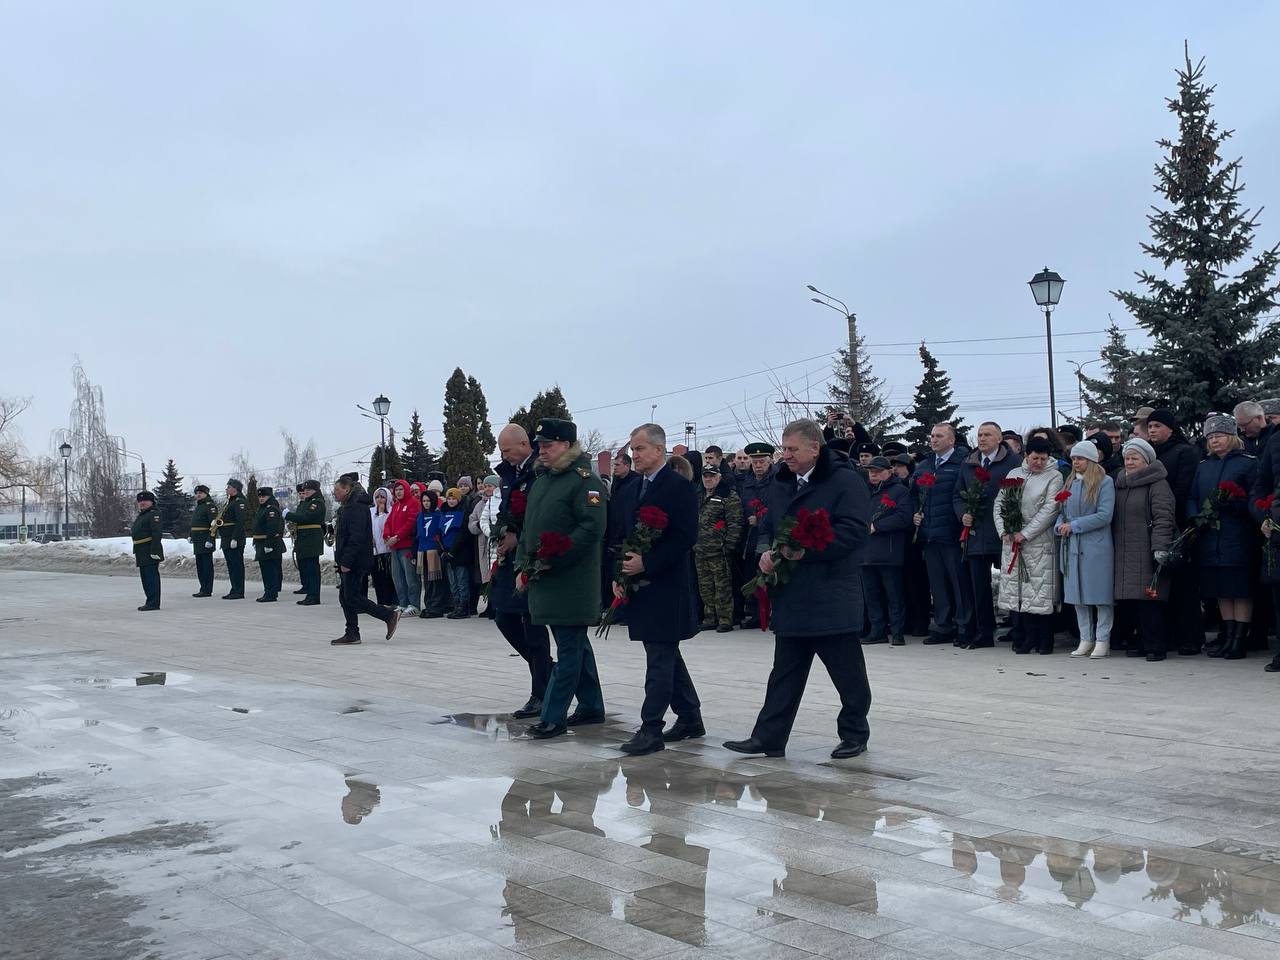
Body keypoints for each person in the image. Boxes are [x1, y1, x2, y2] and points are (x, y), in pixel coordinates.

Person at [723, 419, 873, 761]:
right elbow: (768, 523)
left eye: (792, 449)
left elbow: (853, 531)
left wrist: (807, 550)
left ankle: (854, 733)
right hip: (791, 592)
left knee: (847, 673)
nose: (785, 455)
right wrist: (765, 551)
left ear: (814, 449)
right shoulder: (780, 481)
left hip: (831, 591)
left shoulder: (844, 481)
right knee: (785, 672)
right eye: (784, 448)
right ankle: (769, 738)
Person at [515, 418, 608, 740]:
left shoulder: (585, 481)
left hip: (572, 579)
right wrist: (524, 565)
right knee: (575, 643)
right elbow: (530, 529)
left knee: (569, 647)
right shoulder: (544, 480)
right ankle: (592, 706)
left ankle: (553, 716)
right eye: (539, 445)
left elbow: (591, 528)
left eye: (548, 445)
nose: (542, 451)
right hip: (545, 575)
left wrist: (556, 556)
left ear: (567, 445)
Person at [614, 423, 702, 756]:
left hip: (667, 585)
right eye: (632, 450)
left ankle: (651, 728)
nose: (634, 455)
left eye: (639, 449)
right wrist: (619, 574)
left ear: (658, 450)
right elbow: (621, 535)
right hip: (638, 584)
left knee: (660, 657)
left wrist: (647, 563)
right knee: (663, 653)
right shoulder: (632, 488)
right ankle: (690, 717)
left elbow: (685, 537)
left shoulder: (678, 487)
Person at [491, 424, 556, 718]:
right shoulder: (510, 474)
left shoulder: (539, 470)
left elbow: (540, 512)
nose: (504, 456)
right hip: (512, 558)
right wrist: (504, 534)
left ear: (523, 444)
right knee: (504, 615)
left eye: (507, 450)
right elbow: (509, 510)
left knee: (533, 626)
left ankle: (541, 692)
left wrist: (520, 536)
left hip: (531, 556)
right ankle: (548, 672)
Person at [1190, 414, 1258, 659]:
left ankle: (1239, 640)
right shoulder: (1204, 466)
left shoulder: (1248, 463)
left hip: (1237, 536)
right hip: (1210, 536)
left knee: (1239, 589)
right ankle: (1227, 637)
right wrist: (1195, 516)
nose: (1214, 441)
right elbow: (1193, 496)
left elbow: (1255, 497)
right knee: (1221, 590)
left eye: (1219, 436)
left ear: (1232, 437)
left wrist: (1236, 506)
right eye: (1210, 437)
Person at [954, 421, 1023, 649]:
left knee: (1011, 582)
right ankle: (984, 632)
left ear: (998, 438)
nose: (982, 439)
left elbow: (1020, 492)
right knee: (979, 586)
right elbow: (958, 495)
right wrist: (964, 514)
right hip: (976, 533)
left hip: (1003, 532)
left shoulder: (1012, 462)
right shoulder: (969, 463)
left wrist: (1011, 522)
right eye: (980, 435)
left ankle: (1017, 629)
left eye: (987, 435)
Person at [993, 437, 1064, 655]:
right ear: (1026, 455)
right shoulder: (1014, 474)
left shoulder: (1054, 476)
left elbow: (1050, 509)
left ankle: (1045, 639)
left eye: (1043, 459)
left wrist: (1026, 533)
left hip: (1038, 542)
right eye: (1035, 458)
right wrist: (1004, 530)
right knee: (1020, 592)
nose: (1039, 463)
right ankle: (1025, 636)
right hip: (1013, 541)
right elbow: (1000, 504)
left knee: (1040, 592)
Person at [1110, 438, 1176, 661]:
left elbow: (1163, 517)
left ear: (1146, 460)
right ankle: (1142, 642)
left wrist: (1160, 547)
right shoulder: (1120, 483)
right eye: (1127, 458)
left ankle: (1156, 646)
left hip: (1148, 550)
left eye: (1135, 458)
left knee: (1151, 601)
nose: (1129, 462)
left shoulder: (1157, 484)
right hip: (1124, 550)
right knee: (1133, 601)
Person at [1146, 408, 1203, 654]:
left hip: (1179, 526)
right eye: (1150, 427)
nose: (1152, 430)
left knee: (1184, 586)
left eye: (1157, 426)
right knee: (1161, 586)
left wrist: (1166, 511)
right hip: (1154, 526)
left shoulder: (1186, 451)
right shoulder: (1150, 454)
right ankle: (1166, 637)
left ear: (1170, 428)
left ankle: (1189, 638)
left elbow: (1184, 487)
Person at [914, 423, 971, 645]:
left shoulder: (961, 464)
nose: (934, 439)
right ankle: (943, 625)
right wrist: (914, 514)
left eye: (939, 436)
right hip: (929, 534)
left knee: (958, 582)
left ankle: (963, 625)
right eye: (932, 436)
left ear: (951, 441)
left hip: (951, 532)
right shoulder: (924, 465)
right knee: (937, 585)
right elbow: (913, 495)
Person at [1059, 442, 1116, 658]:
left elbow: (1104, 515)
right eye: (1074, 459)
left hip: (1096, 547)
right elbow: (1061, 511)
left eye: (1080, 459)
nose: (1076, 462)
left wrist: (1074, 526)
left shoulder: (1105, 482)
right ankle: (1085, 638)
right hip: (1073, 546)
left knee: (1100, 596)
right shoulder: (1070, 483)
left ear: (1091, 461)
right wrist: (1059, 525)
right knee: (1078, 597)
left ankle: (1103, 639)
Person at [331, 473, 400, 646]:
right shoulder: (350, 505)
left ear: (346, 490)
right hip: (351, 559)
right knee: (345, 597)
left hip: (355, 561)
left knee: (352, 597)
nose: (334, 493)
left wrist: (346, 561)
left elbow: (356, 537)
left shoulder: (355, 507)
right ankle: (352, 633)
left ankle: (388, 616)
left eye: (337, 489)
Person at [860, 456, 911, 646]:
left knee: (894, 595)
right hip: (866, 553)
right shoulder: (864, 492)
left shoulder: (899, 491)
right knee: (871, 595)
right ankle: (877, 630)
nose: (873, 474)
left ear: (889, 471)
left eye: (878, 471)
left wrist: (877, 526)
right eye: (871, 471)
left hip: (889, 552)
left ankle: (897, 631)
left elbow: (904, 518)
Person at [695, 463, 742, 632]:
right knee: (705, 587)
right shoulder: (698, 495)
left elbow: (735, 523)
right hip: (700, 550)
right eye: (706, 476)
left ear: (719, 477)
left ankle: (725, 619)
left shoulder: (728, 496)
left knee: (722, 586)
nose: (708, 479)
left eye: (712, 476)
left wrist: (729, 545)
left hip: (719, 550)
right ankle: (710, 618)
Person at [738, 442, 776, 629]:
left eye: (762, 462)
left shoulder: (777, 480)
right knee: (752, 571)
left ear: (770, 461)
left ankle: (774, 613)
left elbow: (778, 507)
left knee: (771, 570)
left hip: (770, 533)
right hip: (751, 534)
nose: (758, 466)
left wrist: (760, 520)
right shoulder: (748, 481)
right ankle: (755, 612)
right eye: (755, 462)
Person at [603, 451, 642, 612]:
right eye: (613, 465)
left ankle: (625, 609)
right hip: (614, 533)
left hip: (626, 534)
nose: (615, 468)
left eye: (618, 465)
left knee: (625, 572)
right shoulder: (617, 482)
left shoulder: (635, 482)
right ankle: (615, 607)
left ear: (627, 465)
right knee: (614, 572)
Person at [382, 479, 421, 615]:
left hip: (406, 546)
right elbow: (388, 522)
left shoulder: (413, 504)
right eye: (396, 490)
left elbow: (410, 523)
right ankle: (403, 603)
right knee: (397, 577)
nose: (398, 492)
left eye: (401, 489)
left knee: (410, 577)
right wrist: (386, 535)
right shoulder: (396, 505)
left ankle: (414, 604)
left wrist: (397, 537)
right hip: (395, 547)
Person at [285, 479, 326, 606]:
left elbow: (306, 517)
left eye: (309, 490)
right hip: (303, 537)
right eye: (305, 490)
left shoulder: (317, 503)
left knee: (312, 568)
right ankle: (310, 593)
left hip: (311, 537)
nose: (306, 492)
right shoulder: (305, 503)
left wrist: (289, 515)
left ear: (316, 491)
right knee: (307, 568)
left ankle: (314, 595)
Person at [438, 487, 473, 619]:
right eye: (449, 498)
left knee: (462, 581)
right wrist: (441, 551)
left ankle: (464, 607)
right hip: (446, 551)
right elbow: (439, 533)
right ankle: (456, 604)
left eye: (454, 498)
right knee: (453, 582)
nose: (451, 501)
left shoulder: (463, 512)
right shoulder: (444, 512)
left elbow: (463, 534)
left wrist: (453, 552)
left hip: (459, 553)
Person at [416, 490, 449, 618]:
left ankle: (437, 607)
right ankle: (429, 605)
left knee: (436, 580)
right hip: (422, 550)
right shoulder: (420, 516)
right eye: (424, 501)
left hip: (434, 551)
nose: (426, 503)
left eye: (428, 501)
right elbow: (418, 534)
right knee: (427, 581)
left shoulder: (438, 515)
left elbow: (440, 532)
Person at [131, 490, 163, 611]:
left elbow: (156, 533)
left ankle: (154, 602)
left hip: (149, 549)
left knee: (151, 577)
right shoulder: (143, 515)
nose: (142, 503)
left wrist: (154, 550)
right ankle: (150, 601)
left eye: (145, 500)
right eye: (140, 501)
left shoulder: (154, 514)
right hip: (141, 550)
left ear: (152, 502)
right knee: (145, 578)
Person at [251, 486, 285, 602]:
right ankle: (268, 592)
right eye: (259, 496)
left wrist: (269, 544)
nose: (261, 498)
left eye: (263, 496)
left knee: (270, 570)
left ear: (269, 496)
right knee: (265, 570)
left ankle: (271, 594)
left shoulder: (271, 509)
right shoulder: (262, 508)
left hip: (269, 542)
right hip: (261, 542)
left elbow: (272, 528)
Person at [471, 474, 502, 596]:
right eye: (485, 486)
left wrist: (501, 532)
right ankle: (492, 604)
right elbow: (481, 520)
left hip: (503, 542)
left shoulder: (503, 500)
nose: (487, 488)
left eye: (490, 486)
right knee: (490, 574)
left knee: (500, 573)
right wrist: (491, 533)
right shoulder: (484, 503)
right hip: (489, 543)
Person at [219, 478, 249, 599]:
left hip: (234, 538)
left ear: (235, 489)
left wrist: (235, 538)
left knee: (237, 565)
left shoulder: (239, 501)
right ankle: (234, 588)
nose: (226, 489)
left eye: (228, 487)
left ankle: (239, 591)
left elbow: (240, 521)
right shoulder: (231, 501)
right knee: (231, 566)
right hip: (227, 538)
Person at [370, 486, 397, 606]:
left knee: (388, 577)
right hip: (375, 550)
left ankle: (390, 601)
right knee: (377, 577)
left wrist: (382, 513)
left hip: (387, 550)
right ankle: (380, 601)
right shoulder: (371, 512)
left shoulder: (391, 511)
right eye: (377, 497)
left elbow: (387, 527)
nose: (379, 499)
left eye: (382, 497)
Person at [190, 484, 216, 598]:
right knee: (200, 566)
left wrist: (211, 539)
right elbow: (195, 523)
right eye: (197, 493)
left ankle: (207, 589)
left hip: (205, 539)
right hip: (197, 540)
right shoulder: (199, 506)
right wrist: (191, 535)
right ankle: (203, 588)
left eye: (201, 493)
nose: (198, 495)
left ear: (206, 494)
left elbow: (214, 524)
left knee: (206, 566)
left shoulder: (209, 506)